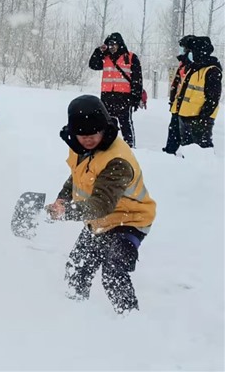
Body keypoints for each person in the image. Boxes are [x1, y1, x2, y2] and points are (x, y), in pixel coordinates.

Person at [45, 95, 156, 314]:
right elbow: (77, 177)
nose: (87, 140)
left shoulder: (117, 160)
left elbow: (101, 204)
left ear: (104, 129)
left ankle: (131, 322)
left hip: (130, 220)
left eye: (93, 134)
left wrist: (65, 211)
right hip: (99, 222)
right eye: (82, 135)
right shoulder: (79, 147)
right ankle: (75, 316)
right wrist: (62, 199)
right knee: (77, 268)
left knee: (113, 271)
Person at [166, 36, 221, 152]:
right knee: (188, 152)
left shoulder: (211, 71)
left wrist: (202, 118)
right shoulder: (193, 68)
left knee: (202, 153)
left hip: (199, 119)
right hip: (185, 116)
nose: (188, 54)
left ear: (199, 51)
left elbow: (213, 98)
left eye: (191, 51)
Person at [88, 32, 142, 147]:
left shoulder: (131, 57)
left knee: (125, 123)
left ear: (120, 44)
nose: (111, 47)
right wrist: (98, 51)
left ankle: (130, 146)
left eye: (113, 44)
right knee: (108, 124)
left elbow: (137, 79)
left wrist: (136, 97)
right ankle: (109, 145)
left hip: (124, 97)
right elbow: (93, 65)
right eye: (109, 45)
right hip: (107, 96)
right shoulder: (105, 57)